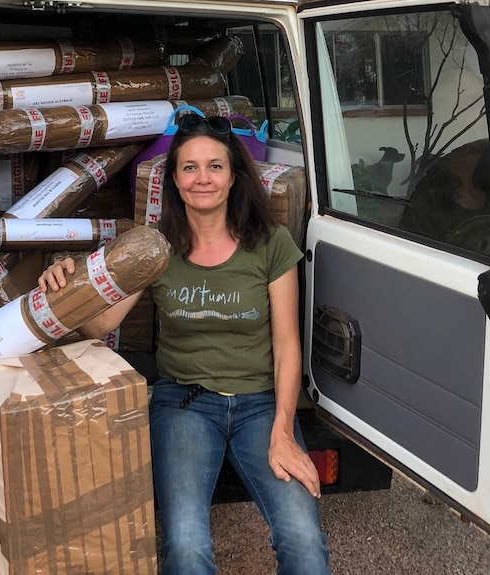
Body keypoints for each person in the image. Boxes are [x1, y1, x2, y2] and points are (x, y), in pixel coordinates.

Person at [37, 113, 330, 575]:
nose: (202, 179)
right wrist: (68, 286)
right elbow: (100, 325)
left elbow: (288, 346)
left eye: (215, 166)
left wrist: (283, 431)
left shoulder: (270, 244)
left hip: (261, 405)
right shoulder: (156, 248)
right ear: (174, 179)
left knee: (304, 541)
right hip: (186, 404)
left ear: (234, 176)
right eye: (189, 167)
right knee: (187, 546)